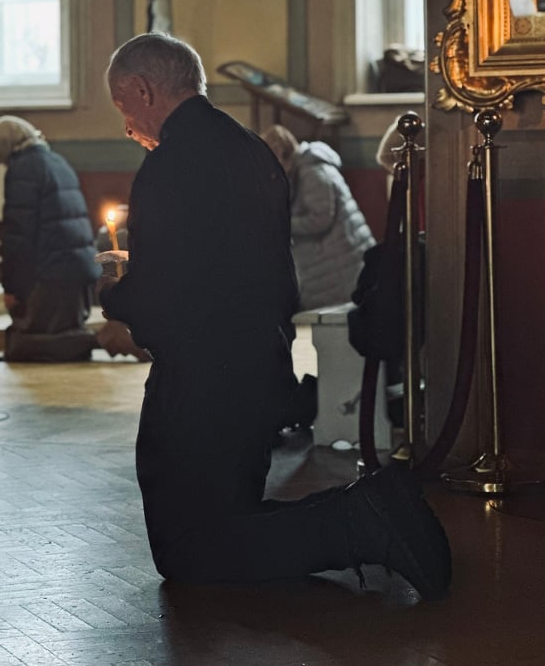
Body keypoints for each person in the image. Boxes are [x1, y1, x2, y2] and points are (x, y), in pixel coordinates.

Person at [97, 32, 451, 598]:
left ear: (142, 90)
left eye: (123, 107)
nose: (127, 126)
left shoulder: (171, 166)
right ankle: (370, 510)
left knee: (187, 548)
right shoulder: (251, 148)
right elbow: (254, 271)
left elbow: (167, 295)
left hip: (202, 381)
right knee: (227, 519)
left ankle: (363, 521)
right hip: (259, 367)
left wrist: (117, 296)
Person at [0, 115, 144, 362]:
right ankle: (105, 338)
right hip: (78, 271)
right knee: (36, 336)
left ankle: (107, 338)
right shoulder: (56, 161)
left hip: (51, 276)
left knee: (22, 346)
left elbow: (19, 235)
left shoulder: (23, 168)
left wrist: (13, 287)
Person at [262, 124, 375, 311]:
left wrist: (283, 224)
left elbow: (320, 218)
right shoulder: (305, 168)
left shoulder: (311, 171)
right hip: (337, 257)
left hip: (339, 258)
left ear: (281, 154)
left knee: (341, 317)